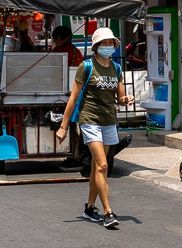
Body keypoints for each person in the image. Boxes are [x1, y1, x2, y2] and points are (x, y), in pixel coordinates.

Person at [56, 28, 134, 230]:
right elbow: (73, 98)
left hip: (109, 121)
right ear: (97, 46)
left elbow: (120, 97)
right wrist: (63, 126)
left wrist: (127, 100)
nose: (108, 47)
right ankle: (108, 211)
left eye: (111, 43)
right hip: (89, 120)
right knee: (102, 166)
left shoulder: (116, 68)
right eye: (105, 43)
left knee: (96, 168)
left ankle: (89, 208)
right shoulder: (86, 67)